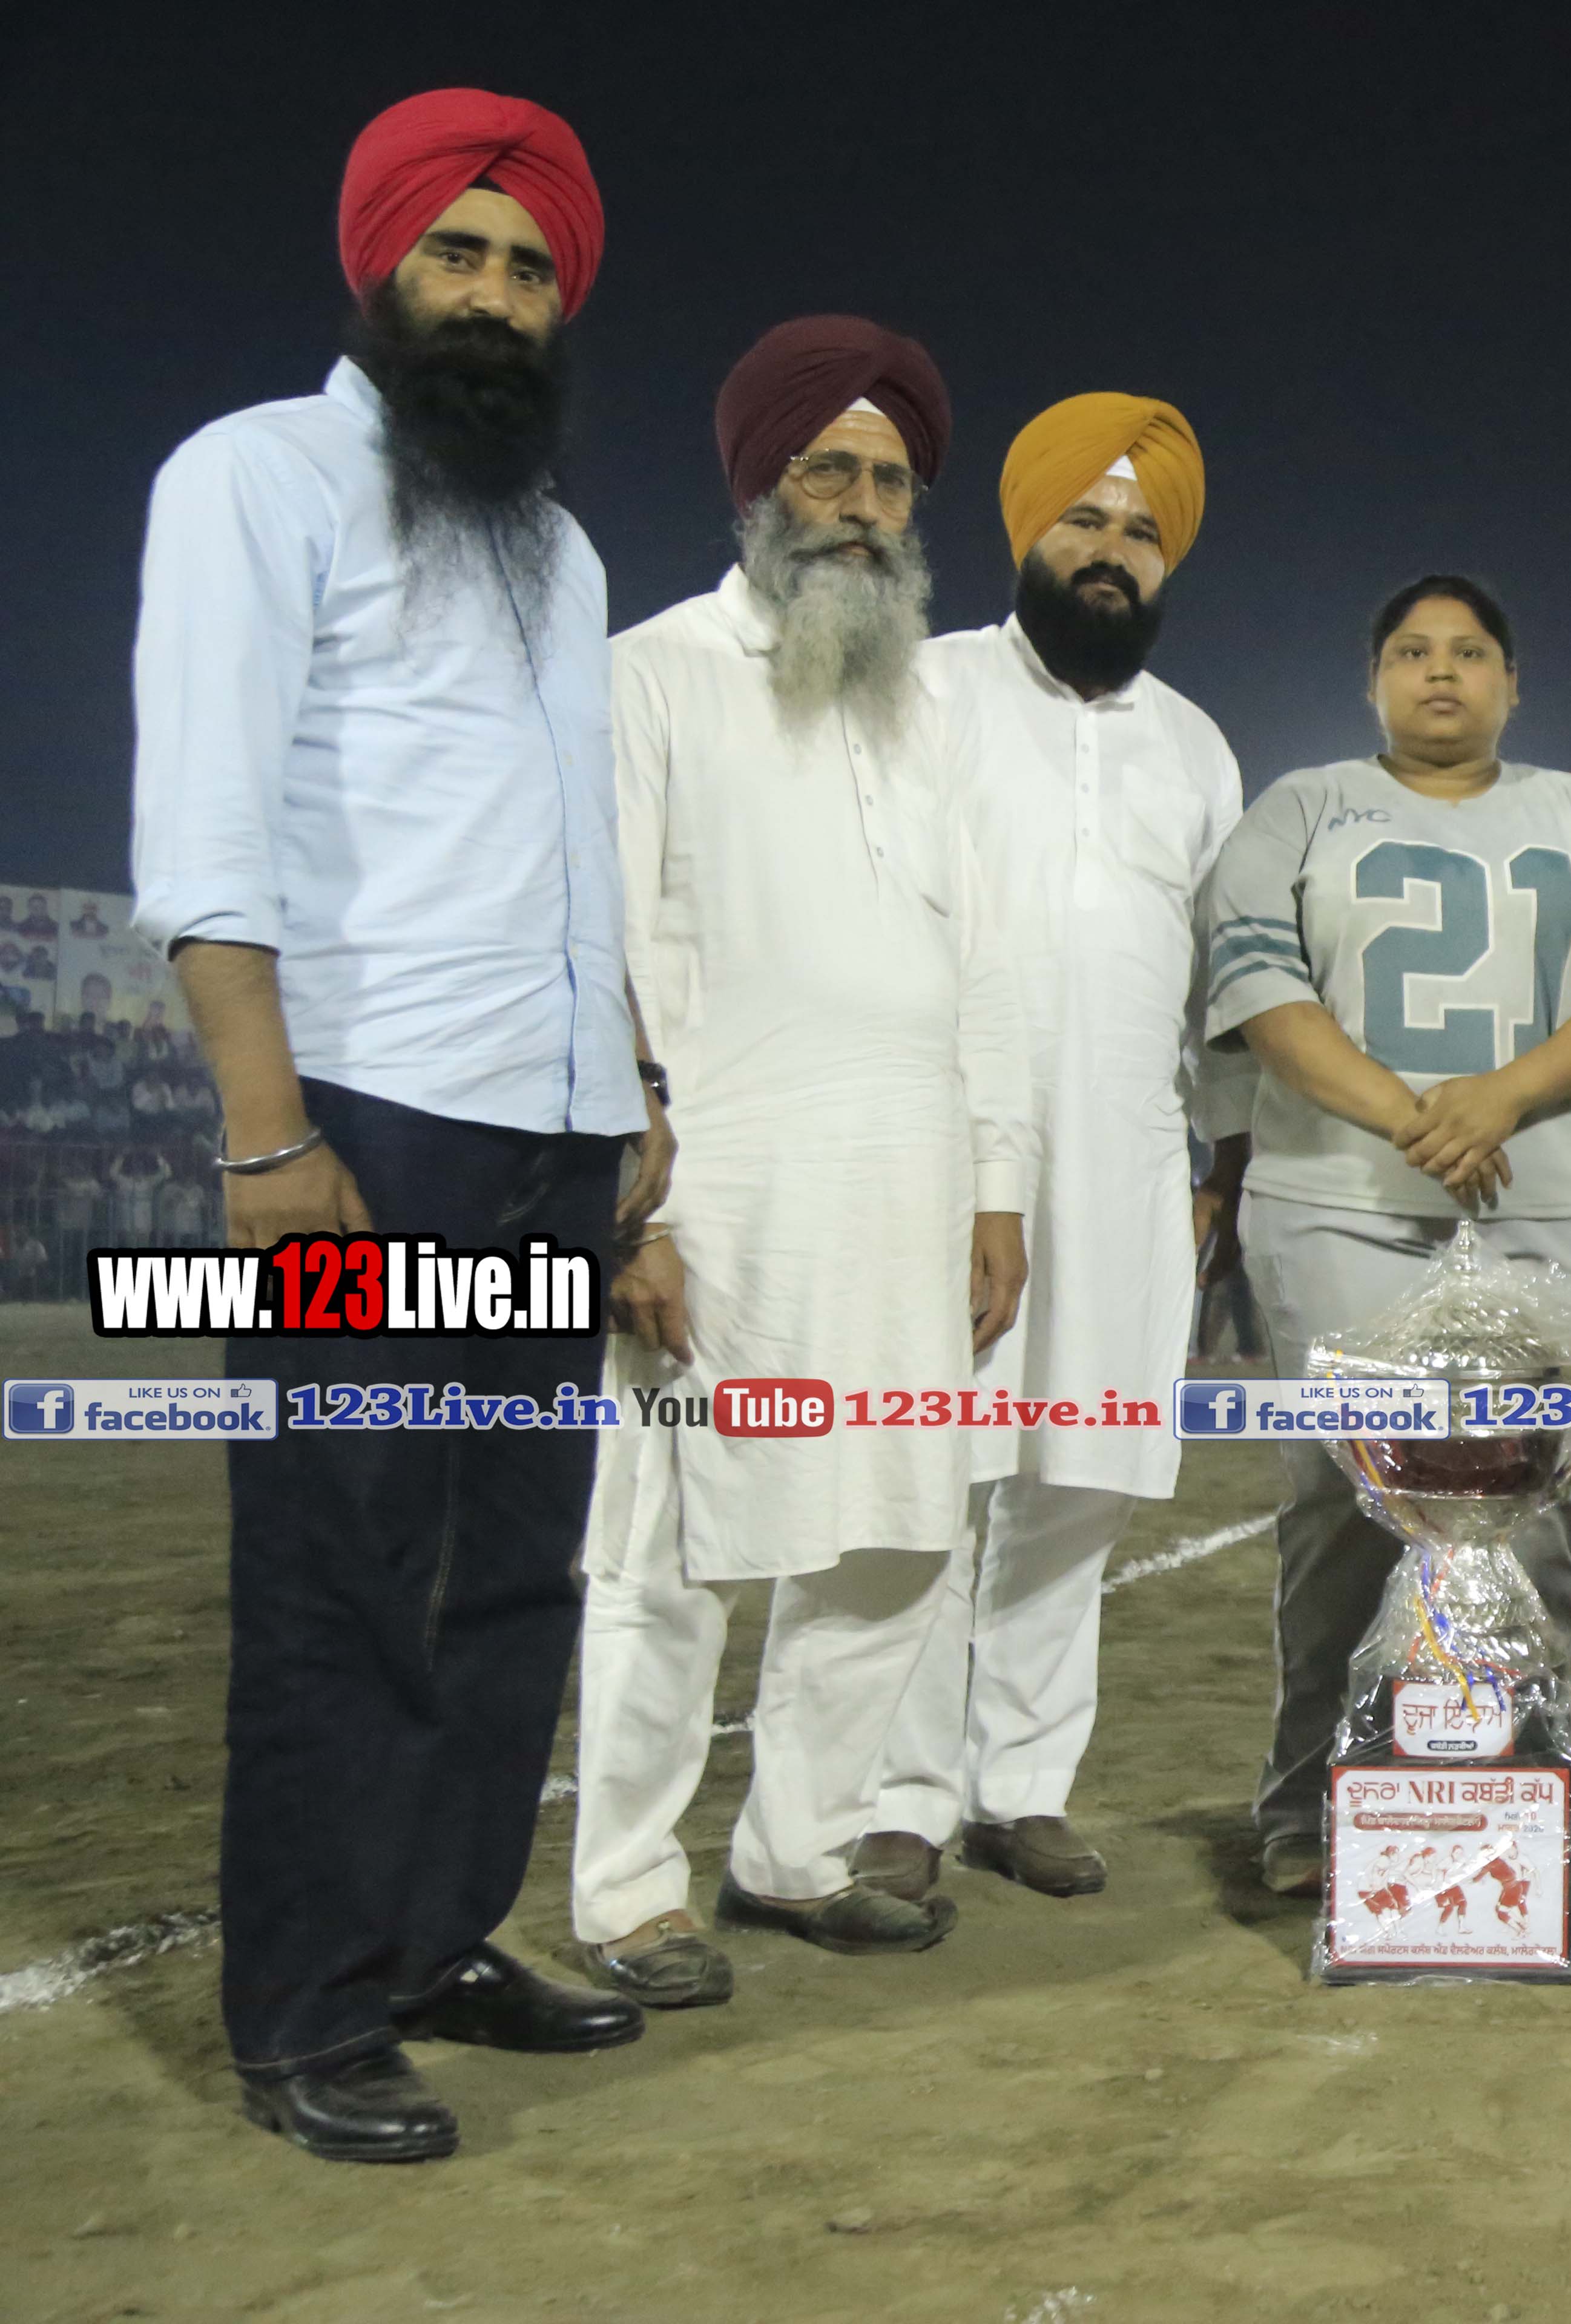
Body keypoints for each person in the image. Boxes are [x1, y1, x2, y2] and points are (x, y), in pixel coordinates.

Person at [126, 88, 668, 2164]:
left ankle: (438, 1942)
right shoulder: (255, 477)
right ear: (382, 266)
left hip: (549, 1140)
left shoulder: (560, 548)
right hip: (369, 1124)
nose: (497, 295)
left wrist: (629, 1094)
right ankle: (306, 2011)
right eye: (460, 251)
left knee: (516, 1572)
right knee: (343, 1570)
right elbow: (205, 821)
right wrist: (266, 1136)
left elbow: (571, 851)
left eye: (530, 266)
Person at [570, 317, 1035, 2002]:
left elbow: (988, 964)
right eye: (828, 470)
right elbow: (599, 946)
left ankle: (797, 1849)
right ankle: (628, 1888)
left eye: (890, 481)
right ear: (762, 486)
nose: (859, 506)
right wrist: (634, 1210)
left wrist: (997, 1187)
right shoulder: (649, 673)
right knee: (677, 1549)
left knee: (901, 1534)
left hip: (913, 1187)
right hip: (725, 1190)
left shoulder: (929, 712)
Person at [858, 392, 1245, 1903]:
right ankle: (896, 1798)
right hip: (942, 1148)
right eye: (1085, 518)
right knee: (932, 1477)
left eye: (1142, 532)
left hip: (1131, 1158)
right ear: (1027, 530)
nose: (1111, 550)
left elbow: (1222, 984)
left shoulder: (1198, 747)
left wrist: (1220, 1167)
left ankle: (1019, 1786)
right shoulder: (926, 688)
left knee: (1080, 1482)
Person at [1200, 576, 1571, 1897]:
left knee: (1539, 1508)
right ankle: (1309, 1800)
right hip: (1339, 1197)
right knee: (1345, 1499)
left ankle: (1521, 1784)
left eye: (1470, 652)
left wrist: (1501, 1097)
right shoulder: (1301, 806)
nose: (1441, 672)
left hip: (1545, 1195)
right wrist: (1414, 1117)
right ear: (1374, 680)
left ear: (1513, 681)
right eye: (1411, 651)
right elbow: (1263, 993)